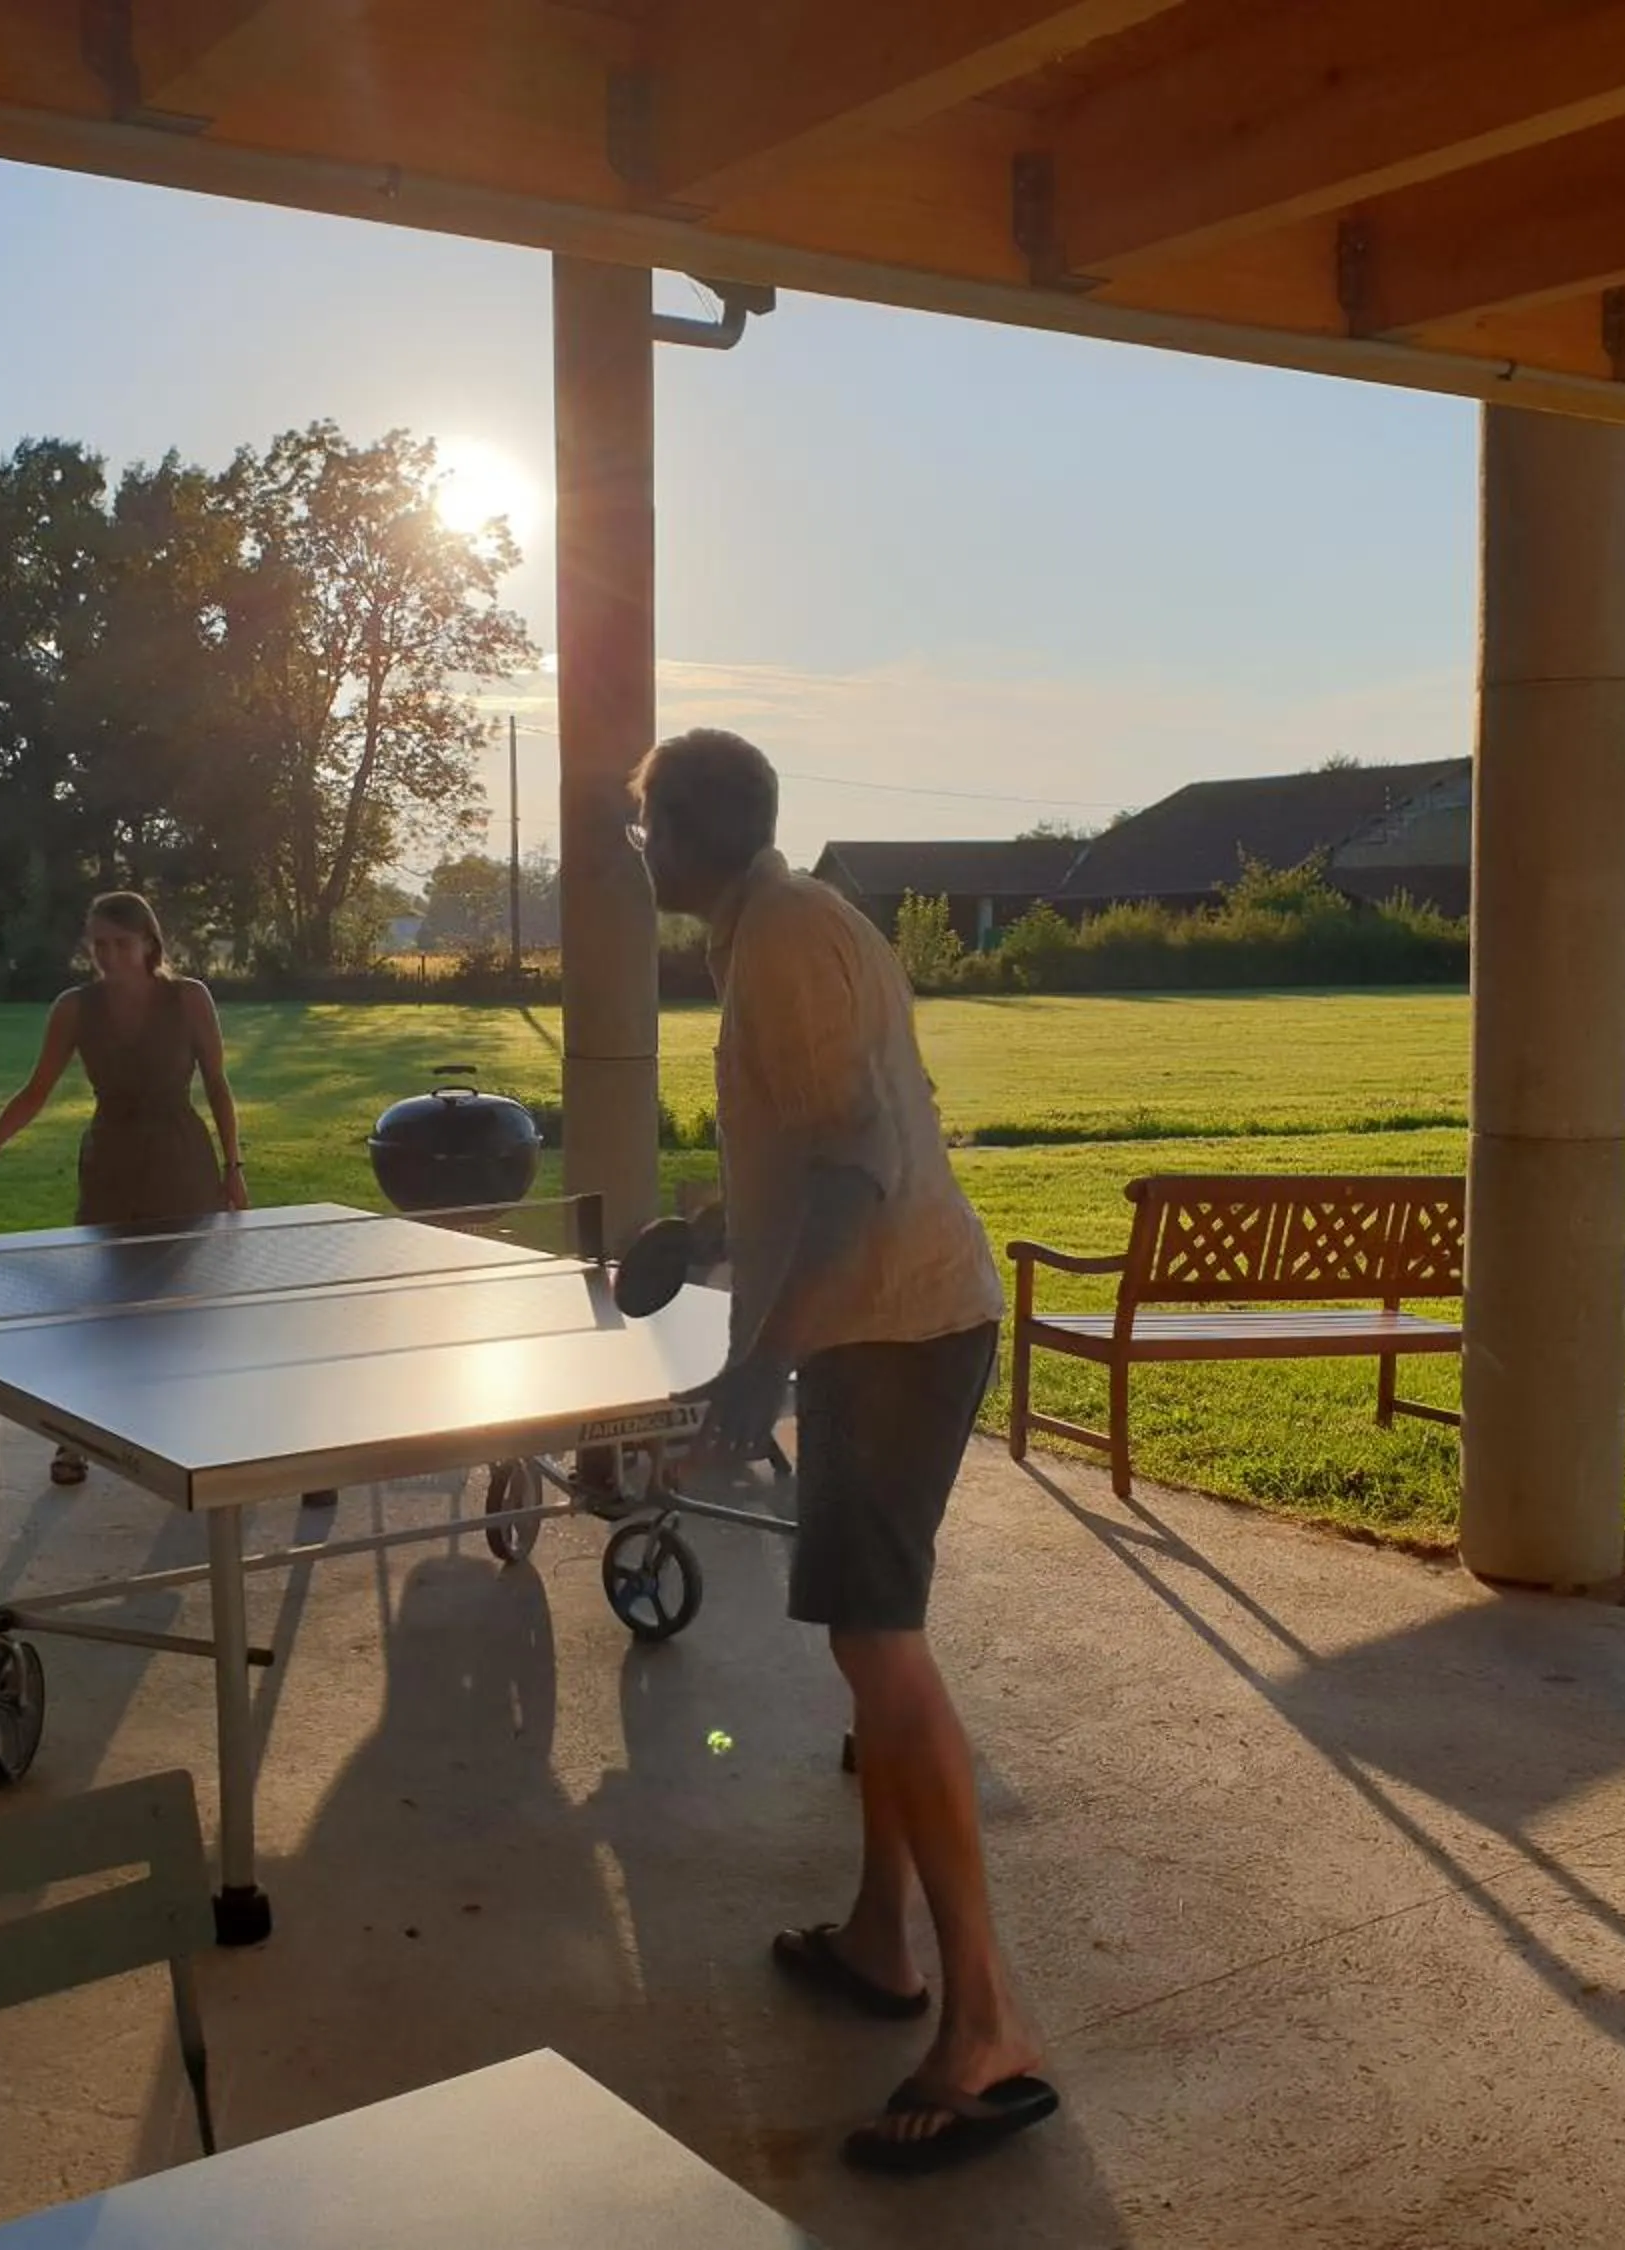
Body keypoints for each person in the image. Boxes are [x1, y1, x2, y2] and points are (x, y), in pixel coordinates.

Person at [631, 728, 1054, 2175]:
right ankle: (884, 1939)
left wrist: (754, 1371)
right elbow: (830, 1139)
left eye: (642, 827)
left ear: (683, 832)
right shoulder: (782, 926)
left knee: (884, 1650)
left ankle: (989, 2027)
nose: (636, 854)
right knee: (864, 1648)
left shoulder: (788, 938)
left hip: (890, 1332)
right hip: (877, 1327)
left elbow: (857, 1170)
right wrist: (709, 1231)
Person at [0, 891, 246, 1484]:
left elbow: (216, 1083)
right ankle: (76, 1438)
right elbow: (36, 1090)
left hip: (181, 1156)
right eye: (99, 944)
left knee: (189, 1299)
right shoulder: (73, 1007)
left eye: (121, 943)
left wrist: (234, 1166)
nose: (109, 955)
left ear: (149, 944)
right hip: (110, 1155)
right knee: (100, 1302)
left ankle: (201, 1424)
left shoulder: (189, 998)